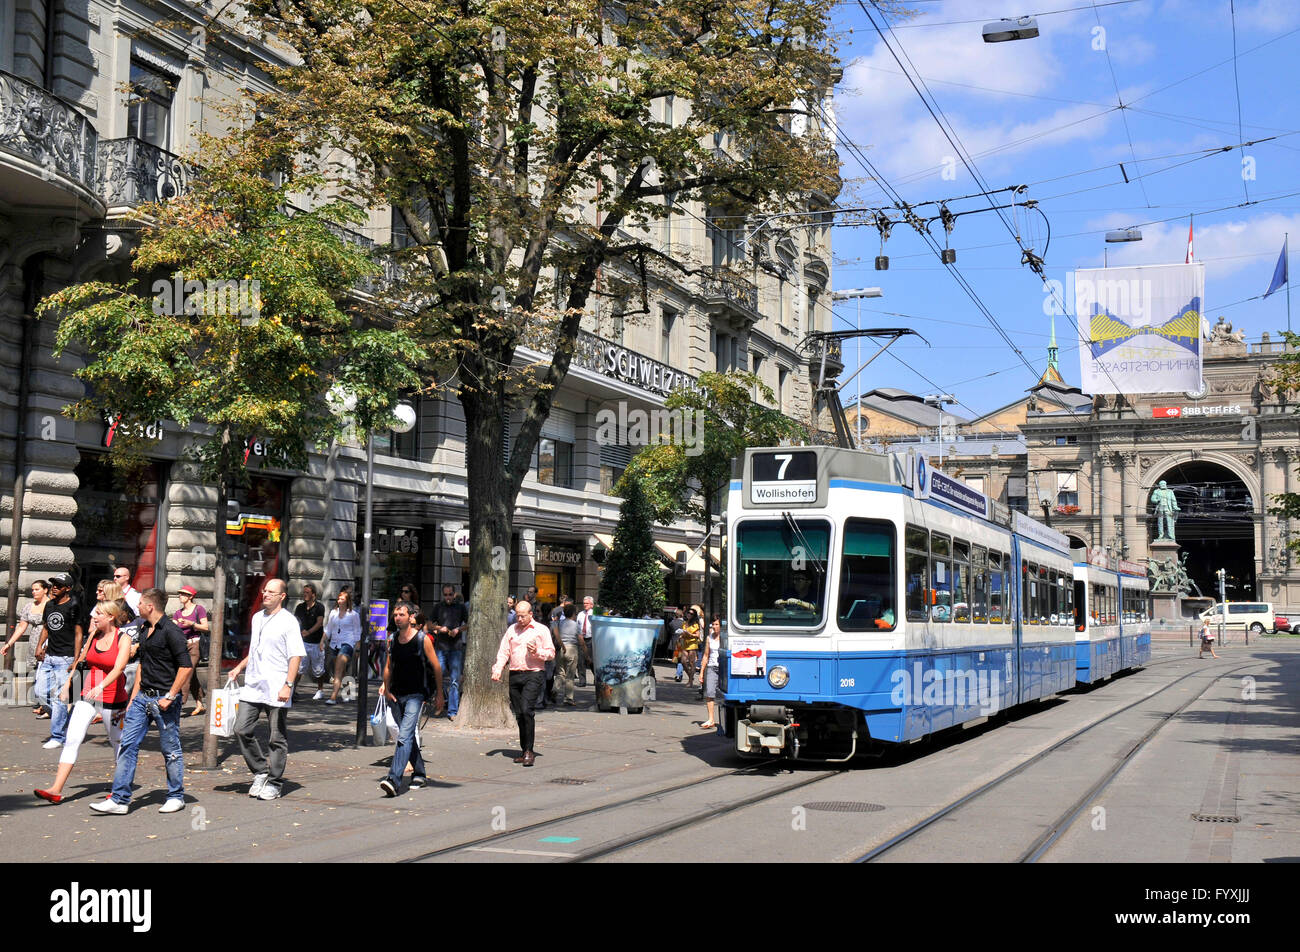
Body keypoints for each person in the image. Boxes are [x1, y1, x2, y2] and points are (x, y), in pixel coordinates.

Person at [91, 589, 192, 815]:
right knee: (128, 744)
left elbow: (186, 667)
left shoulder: (173, 632)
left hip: (164, 699)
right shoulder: (144, 629)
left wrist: (171, 695)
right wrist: (133, 698)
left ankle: (176, 796)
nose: (136, 607)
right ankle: (119, 799)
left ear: (150, 607)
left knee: (170, 749)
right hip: (142, 697)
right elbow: (142, 666)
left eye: (140, 604)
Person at [34, 601, 133, 804]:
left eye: (98, 614)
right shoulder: (94, 636)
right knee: (72, 739)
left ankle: (120, 787)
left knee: (118, 743)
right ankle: (56, 789)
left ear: (111, 617)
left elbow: (119, 667)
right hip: (87, 695)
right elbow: (81, 660)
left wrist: (102, 685)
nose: (94, 617)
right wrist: (68, 686)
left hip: (113, 698)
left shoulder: (123, 639)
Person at [228, 579, 305, 801]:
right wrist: (239, 667)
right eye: (264, 590)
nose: (266, 594)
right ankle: (261, 771)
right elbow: (256, 649)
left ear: (282, 596)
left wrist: (288, 685)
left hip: (277, 686)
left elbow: (295, 655)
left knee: (276, 737)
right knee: (241, 728)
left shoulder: (289, 622)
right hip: (253, 685)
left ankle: (274, 782)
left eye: (272, 592)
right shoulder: (257, 618)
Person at [379, 601, 444, 797]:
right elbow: (389, 666)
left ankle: (393, 779)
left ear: (411, 617)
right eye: (395, 615)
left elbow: (436, 667)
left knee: (405, 735)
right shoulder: (392, 639)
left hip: (416, 695)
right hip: (396, 694)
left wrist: (440, 694)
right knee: (407, 737)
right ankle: (420, 773)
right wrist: (386, 687)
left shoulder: (422, 639)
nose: (398, 618)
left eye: (401, 615)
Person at [491, 600, 555, 767]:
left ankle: (529, 751)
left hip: (534, 673)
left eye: (523, 616)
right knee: (519, 714)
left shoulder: (542, 630)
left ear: (531, 614)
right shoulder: (512, 630)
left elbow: (551, 654)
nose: (519, 619)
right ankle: (524, 749)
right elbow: (504, 651)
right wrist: (498, 669)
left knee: (527, 710)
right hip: (515, 674)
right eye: (517, 616)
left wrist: (537, 652)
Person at [33, 573, 84, 750]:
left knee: (59, 698)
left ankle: (58, 736)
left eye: (58, 585)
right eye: (53, 584)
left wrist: (76, 659)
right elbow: (46, 627)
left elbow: (79, 634)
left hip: (66, 657)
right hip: (49, 655)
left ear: (67, 589)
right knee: (40, 692)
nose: (54, 587)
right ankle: (66, 720)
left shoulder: (74, 605)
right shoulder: (49, 605)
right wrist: (39, 646)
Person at [2, 579, 50, 714]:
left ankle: (45, 705)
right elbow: (22, 627)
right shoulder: (29, 606)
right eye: (32, 589)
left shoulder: (51, 605)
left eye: (37, 589)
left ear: (45, 590)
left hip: (48, 642)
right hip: (34, 642)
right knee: (37, 672)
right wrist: (9, 643)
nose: (33, 592)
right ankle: (41, 703)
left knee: (46, 673)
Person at [432, 585, 467, 720]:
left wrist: (458, 629)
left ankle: (453, 711)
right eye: (445, 595)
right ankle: (439, 705)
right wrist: (440, 628)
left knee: (454, 680)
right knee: (439, 677)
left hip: (455, 648)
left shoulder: (460, 607)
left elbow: (468, 624)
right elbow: (429, 624)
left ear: (454, 594)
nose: (448, 597)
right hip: (441, 647)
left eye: (450, 594)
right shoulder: (438, 607)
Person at [172, 585, 209, 717]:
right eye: (180, 594)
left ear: (190, 597)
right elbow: (173, 627)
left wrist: (191, 624)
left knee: (186, 672)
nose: (180, 596)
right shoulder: (178, 612)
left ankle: (179, 702)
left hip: (195, 645)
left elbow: (205, 627)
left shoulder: (199, 609)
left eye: (183, 594)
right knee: (191, 675)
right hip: (182, 646)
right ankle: (200, 704)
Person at [324, 589, 361, 704]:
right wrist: (322, 641)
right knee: (342, 670)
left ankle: (333, 697)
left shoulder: (354, 615)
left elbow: (357, 631)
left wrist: (357, 646)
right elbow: (328, 629)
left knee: (338, 670)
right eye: (339, 598)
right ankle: (348, 692)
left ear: (347, 601)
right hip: (334, 643)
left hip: (347, 643)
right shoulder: (333, 613)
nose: (339, 601)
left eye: (342, 599)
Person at [293, 583, 327, 699]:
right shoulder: (300, 607)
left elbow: (319, 623)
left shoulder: (319, 607)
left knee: (318, 669)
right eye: (304, 592)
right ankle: (292, 689)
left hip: (316, 642)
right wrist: (301, 631)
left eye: (307, 592)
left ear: (313, 594)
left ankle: (320, 689)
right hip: (303, 642)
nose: (305, 594)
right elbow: (296, 621)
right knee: (299, 668)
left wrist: (309, 632)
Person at [553, 600, 585, 706]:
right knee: (570, 675)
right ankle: (568, 698)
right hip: (572, 648)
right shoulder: (576, 625)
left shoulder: (560, 623)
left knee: (560, 673)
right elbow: (581, 640)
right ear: (573, 614)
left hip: (561, 649)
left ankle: (554, 689)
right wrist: (586, 653)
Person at [699, 617, 722, 729]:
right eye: (713, 624)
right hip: (712, 667)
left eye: (716, 624)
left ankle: (724, 720)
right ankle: (711, 719)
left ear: (721, 626)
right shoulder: (709, 638)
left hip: (723, 668)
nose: (714, 626)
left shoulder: (724, 638)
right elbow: (706, 655)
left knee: (724, 694)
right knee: (710, 693)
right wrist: (701, 672)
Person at [678, 607, 702, 688]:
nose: (689, 614)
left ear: (694, 615)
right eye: (688, 613)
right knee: (683, 661)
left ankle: (690, 681)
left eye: (691, 614)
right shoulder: (684, 623)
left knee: (692, 663)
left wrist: (690, 634)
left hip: (692, 644)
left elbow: (697, 635)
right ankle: (690, 677)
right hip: (685, 643)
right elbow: (683, 633)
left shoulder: (695, 624)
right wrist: (681, 635)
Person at [575, 595, 595, 687]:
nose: (585, 605)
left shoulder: (594, 614)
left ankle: (597, 678)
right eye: (584, 603)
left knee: (591, 660)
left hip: (591, 639)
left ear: (592, 604)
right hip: (581, 638)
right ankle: (582, 681)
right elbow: (577, 626)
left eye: (587, 603)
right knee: (581, 661)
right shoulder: (580, 614)